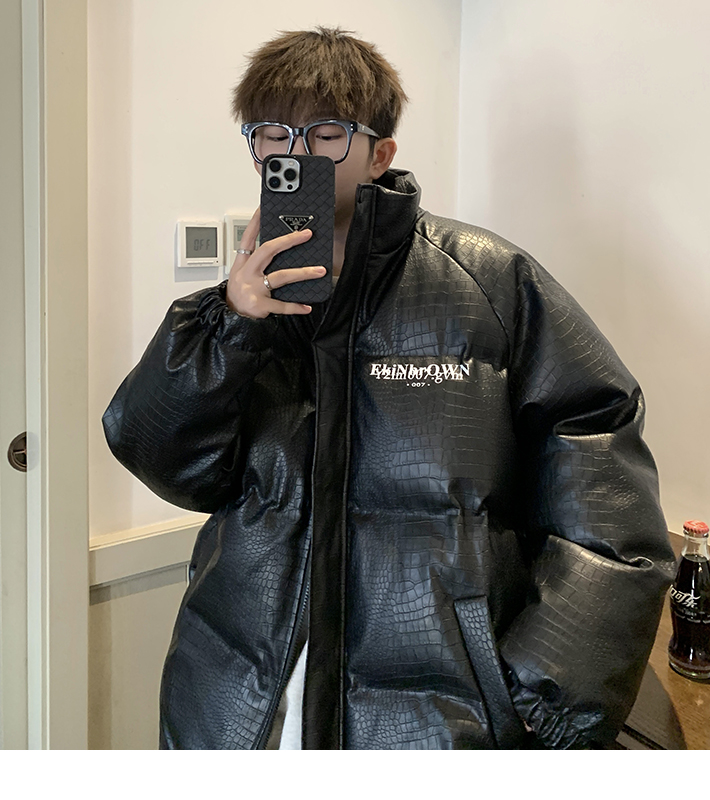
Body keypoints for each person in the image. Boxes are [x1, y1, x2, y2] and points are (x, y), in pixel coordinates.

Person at [102, 26, 675, 750]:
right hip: (243, 700)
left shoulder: (489, 282)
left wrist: (545, 690)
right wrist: (232, 327)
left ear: (380, 154)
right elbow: (165, 462)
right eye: (272, 134)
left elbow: (604, 485)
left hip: (431, 722)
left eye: (326, 134)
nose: (295, 153)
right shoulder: (238, 308)